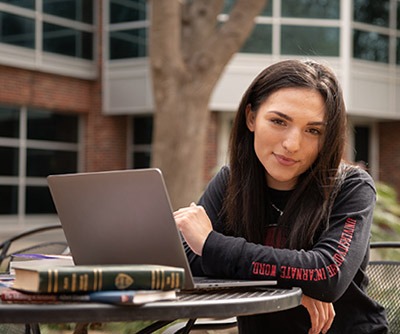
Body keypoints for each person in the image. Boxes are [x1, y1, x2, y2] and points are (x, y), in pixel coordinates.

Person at [174, 60, 388, 334]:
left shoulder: (351, 187)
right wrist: (293, 288)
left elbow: (326, 274)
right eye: (278, 121)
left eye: (313, 130)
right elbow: (187, 261)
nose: (292, 144)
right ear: (251, 117)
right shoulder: (231, 183)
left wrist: (214, 245)